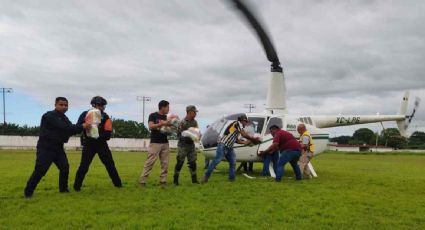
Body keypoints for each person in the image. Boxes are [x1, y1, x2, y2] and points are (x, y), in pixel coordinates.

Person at [24, 97, 89, 198]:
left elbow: (72, 129)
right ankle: (28, 192)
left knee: (64, 168)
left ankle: (63, 189)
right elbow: (65, 128)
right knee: (40, 170)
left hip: (58, 148)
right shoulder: (49, 116)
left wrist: (84, 125)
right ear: (55, 105)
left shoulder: (64, 118)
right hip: (46, 147)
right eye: (61, 105)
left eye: (66, 105)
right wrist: (82, 126)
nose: (64, 107)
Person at [73, 96, 122, 191]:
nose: (102, 107)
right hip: (88, 144)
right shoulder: (85, 114)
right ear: (93, 105)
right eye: (100, 105)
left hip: (101, 145)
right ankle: (76, 187)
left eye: (104, 106)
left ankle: (118, 185)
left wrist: (98, 136)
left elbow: (108, 134)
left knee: (110, 164)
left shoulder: (106, 116)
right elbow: (78, 127)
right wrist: (85, 126)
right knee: (84, 166)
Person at [202, 115, 260, 183]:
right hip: (223, 145)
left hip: (229, 147)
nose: (246, 124)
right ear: (243, 120)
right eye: (246, 122)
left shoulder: (236, 127)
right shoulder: (238, 123)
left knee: (233, 163)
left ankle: (232, 179)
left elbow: (237, 140)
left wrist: (246, 142)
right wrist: (253, 139)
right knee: (216, 161)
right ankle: (206, 176)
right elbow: (244, 135)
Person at [139, 100, 171, 187]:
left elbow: (168, 130)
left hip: (165, 143)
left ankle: (163, 181)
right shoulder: (153, 115)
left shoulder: (166, 117)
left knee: (165, 163)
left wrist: (170, 127)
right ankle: (142, 182)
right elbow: (150, 126)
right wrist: (161, 124)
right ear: (162, 107)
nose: (169, 109)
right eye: (167, 107)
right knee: (150, 162)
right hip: (155, 143)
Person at [173, 105, 200, 185]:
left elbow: (197, 132)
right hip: (183, 145)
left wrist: (197, 135)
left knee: (193, 163)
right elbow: (179, 135)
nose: (195, 114)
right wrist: (188, 135)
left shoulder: (194, 122)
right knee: (180, 162)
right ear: (190, 112)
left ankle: (194, 180)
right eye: (194, 112)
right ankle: (175, 180)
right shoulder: (182, 122)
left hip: (191, 145)